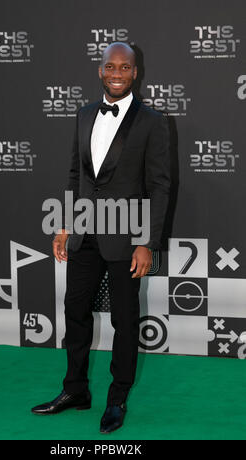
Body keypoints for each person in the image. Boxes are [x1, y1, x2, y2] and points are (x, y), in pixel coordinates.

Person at [32, 42, 171, 434]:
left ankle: (117, 397)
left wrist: (148, 242)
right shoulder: (83, 114)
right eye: (110, 66)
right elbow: (77, 176)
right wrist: (63, 224)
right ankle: (75, 389)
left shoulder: (153, 121)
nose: (116, 73)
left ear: (134, 73)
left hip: (127, 238)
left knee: (124, 321)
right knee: (75, 310)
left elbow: (160, 186)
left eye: (124, 67)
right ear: (100, 70)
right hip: (84, 234)